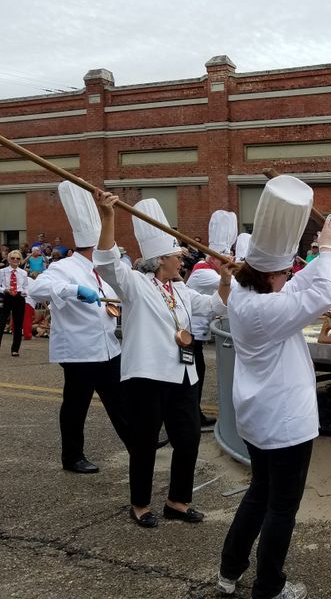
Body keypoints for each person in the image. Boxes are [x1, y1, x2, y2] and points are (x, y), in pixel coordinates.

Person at [217, 176, 331, 599]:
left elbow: (298, 287)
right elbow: (325, 289)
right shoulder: (266, 311)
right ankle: (269, 586)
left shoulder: (243, 292)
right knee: (281, 508)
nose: (288, 277)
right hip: (285, 423)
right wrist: (326, 249)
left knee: (259, 494)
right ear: (271, 274)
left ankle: (230, 571)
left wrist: (312, 259)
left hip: (258, 418)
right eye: (284, 271)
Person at [93, 193, 231, 528]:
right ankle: (139, 503)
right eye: (176, 256)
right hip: (148, 376)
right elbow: (107, 262)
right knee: (145, 443)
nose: (181, 261)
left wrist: (226, 278)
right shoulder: (136, 285)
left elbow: (216, 305)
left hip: (183, 376)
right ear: (159, 260)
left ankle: (177, 501)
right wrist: (108, 217)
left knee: (188, 439)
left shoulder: (180, 290)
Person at [28, 182, 130, 474]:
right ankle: (72, 456)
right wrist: (73, 291)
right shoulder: (66, 268)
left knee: (119, 399)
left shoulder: (103, 270)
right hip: (80, 350)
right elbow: (38, 288)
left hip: (108, 345)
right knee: (76, 405)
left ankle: (137, 442)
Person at [186, 210, 239, 428]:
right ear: (214, 258)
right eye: (225, 260)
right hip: (189, 333)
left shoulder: (211, 270)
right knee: (193, 375)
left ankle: (193, 414)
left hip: (197, 333)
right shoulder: (203, 272)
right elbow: (234, 286)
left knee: (197, 374)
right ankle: (191, 417)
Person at [0, 249, 29, 356]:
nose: (15, 260)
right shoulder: (2, 271)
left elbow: (25, 287)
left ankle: (15, 349)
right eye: (13, 258)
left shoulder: (23, 273)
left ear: (20, 260)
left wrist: (25, 293)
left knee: (18, 324)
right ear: (9, 259)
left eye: (18, 258)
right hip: (6, 296)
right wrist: (4, 290)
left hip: (19, 298)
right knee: (1, 322)